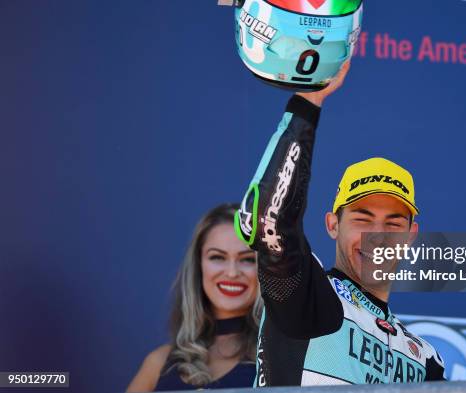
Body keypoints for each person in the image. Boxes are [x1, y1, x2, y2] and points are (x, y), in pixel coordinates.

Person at [234, 62, 446, 386]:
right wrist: (308, 103)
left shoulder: (423, 358)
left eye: (393, 223)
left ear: (410, 235)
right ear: (333, 225)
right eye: (362, 218)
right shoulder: (309, 296)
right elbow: (267, 222)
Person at [127, 203, 262, 392]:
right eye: (217, 257)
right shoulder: (158, 363)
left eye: (248, 259)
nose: (232, 272)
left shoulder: (282, 359)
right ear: (198, 266)